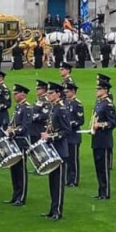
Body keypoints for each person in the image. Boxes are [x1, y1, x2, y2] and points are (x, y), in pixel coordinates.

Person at [40, 82, 71, 221]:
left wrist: (50, 136)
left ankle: (57, 210)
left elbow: (66, 131)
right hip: (52, 149)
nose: (49, 95)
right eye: (48, 93)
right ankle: (52, 209)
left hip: (60, 149)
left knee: (58, 182)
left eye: (51, 93)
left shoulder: (61, 109)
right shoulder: (53, 108)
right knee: (52, 181)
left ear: (58, 94)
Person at [6, 84, 32, 205]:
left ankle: (21, 197)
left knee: (21, 170)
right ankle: (15, 194)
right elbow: (13, 123)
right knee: (14, 169)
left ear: (23, 94)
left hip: (21, 142)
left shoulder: (27, 108)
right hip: (14, 141)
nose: (14, 96)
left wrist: (13, 131)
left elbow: (25, 127)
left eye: (16, 94)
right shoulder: (18, 107)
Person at [91, 78, 116, 200]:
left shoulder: (108, 104)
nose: (97, 91)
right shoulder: (99, 102)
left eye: (99, 89)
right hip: (96, 138)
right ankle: (100, 191)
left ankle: (105, 192)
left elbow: (113, 122)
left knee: (104, 168)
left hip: (104, 139)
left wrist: (99, 125)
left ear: (105, 90)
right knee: (98, 166)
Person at [64, 83, 84, 187]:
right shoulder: (66, 102)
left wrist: (70, 124)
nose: (66, 93)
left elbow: (80, 120)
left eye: (67, 91)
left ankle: (74, 180)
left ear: (73, 91)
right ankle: (68, 179)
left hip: (74, 135)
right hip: (67, 135)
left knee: (73, 159)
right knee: (67, 159)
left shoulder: (77, 104)